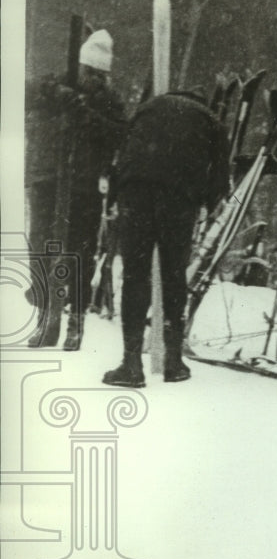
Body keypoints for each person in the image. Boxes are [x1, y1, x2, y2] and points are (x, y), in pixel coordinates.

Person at [103, 88, 231, 387]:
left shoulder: (148, 108)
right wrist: (210, 205)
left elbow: (122, 153)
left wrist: (114, 198)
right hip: (179, 195)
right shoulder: (212, 119)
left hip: (135, 189)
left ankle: (131, 363)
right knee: (174, 275)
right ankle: (174, 362)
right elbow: (220, 177)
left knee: (136, 275)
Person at [25, 29, 126, 349]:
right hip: (48, 179)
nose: (95, 79)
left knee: (80, 252)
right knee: (42, 248)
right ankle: (46, 317)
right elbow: (22, 92)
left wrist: (85, 115)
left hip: (84, 186)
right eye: (90, 72)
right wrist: (57, 92)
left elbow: (119, 136)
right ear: (80, 68)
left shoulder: (109, 102)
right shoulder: (55, 84)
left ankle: (75, 323)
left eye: (101, 75)